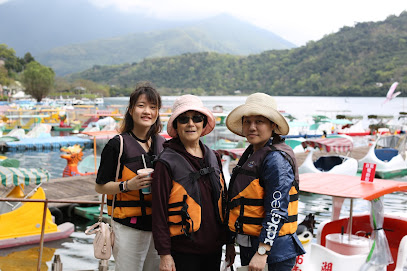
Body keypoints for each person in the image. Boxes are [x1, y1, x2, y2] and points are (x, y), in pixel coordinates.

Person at [152, 94, 235, 271]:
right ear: (176, 125)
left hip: (214, 249)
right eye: (183, 119)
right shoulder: (165, 162)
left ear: (204, 123)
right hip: (182, 251)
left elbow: (224, 202)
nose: (191, 124)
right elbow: (158, 213)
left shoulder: (213, 156)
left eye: (197, 118)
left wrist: (229, 242)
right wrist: (165, 254)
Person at [225, 93, 305, 271]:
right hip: (250, 246)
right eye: (248, 121)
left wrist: (262, 252)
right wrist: (230, 243)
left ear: (273, 125)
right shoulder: (252, 153)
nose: (252, 127)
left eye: (259, 121)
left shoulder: (276, 160)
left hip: (273, 253)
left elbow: (276, 209)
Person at [95, 81, 166, 271]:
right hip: (128, 226)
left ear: (158, 112)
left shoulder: (161, 143)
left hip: (158, 225)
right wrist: (127, 185)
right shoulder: (117, 144)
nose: (147, 112)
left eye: (153, 107)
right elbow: (100, 186)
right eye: (141, 106)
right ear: (131, 110)